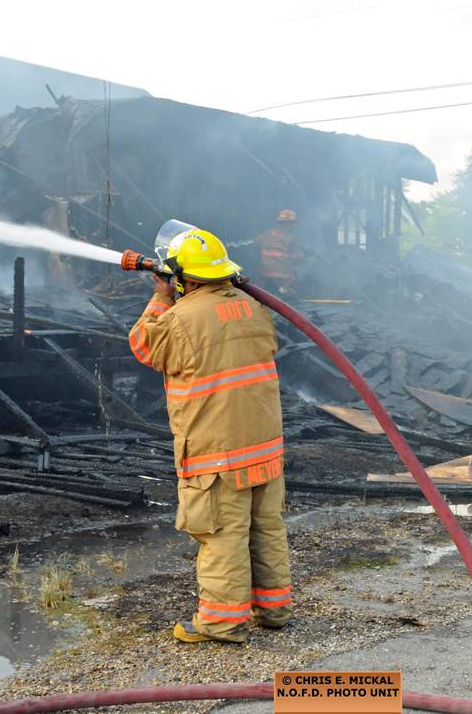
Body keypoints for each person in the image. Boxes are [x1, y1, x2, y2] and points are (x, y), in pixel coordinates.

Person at [128, 226, 292, 644]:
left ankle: (221, 623)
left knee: (222, 536)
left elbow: (143, 345)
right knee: (266, 528)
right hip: (264, 445)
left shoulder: (181, 318)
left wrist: (161, 296)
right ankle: (273, 610)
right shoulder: (254, 306)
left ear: (184, 276)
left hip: (218, 453)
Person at [255, 209, 306, 296]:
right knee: (291, 292)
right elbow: (297, 257)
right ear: (286, 224)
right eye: (291, 223)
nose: (292, 226)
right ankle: (282, 292)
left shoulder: (266, 234)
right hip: (283, 276)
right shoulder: (290, 239)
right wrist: (304, 256)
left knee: (259, 294)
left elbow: (256, 244)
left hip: (263, 273)